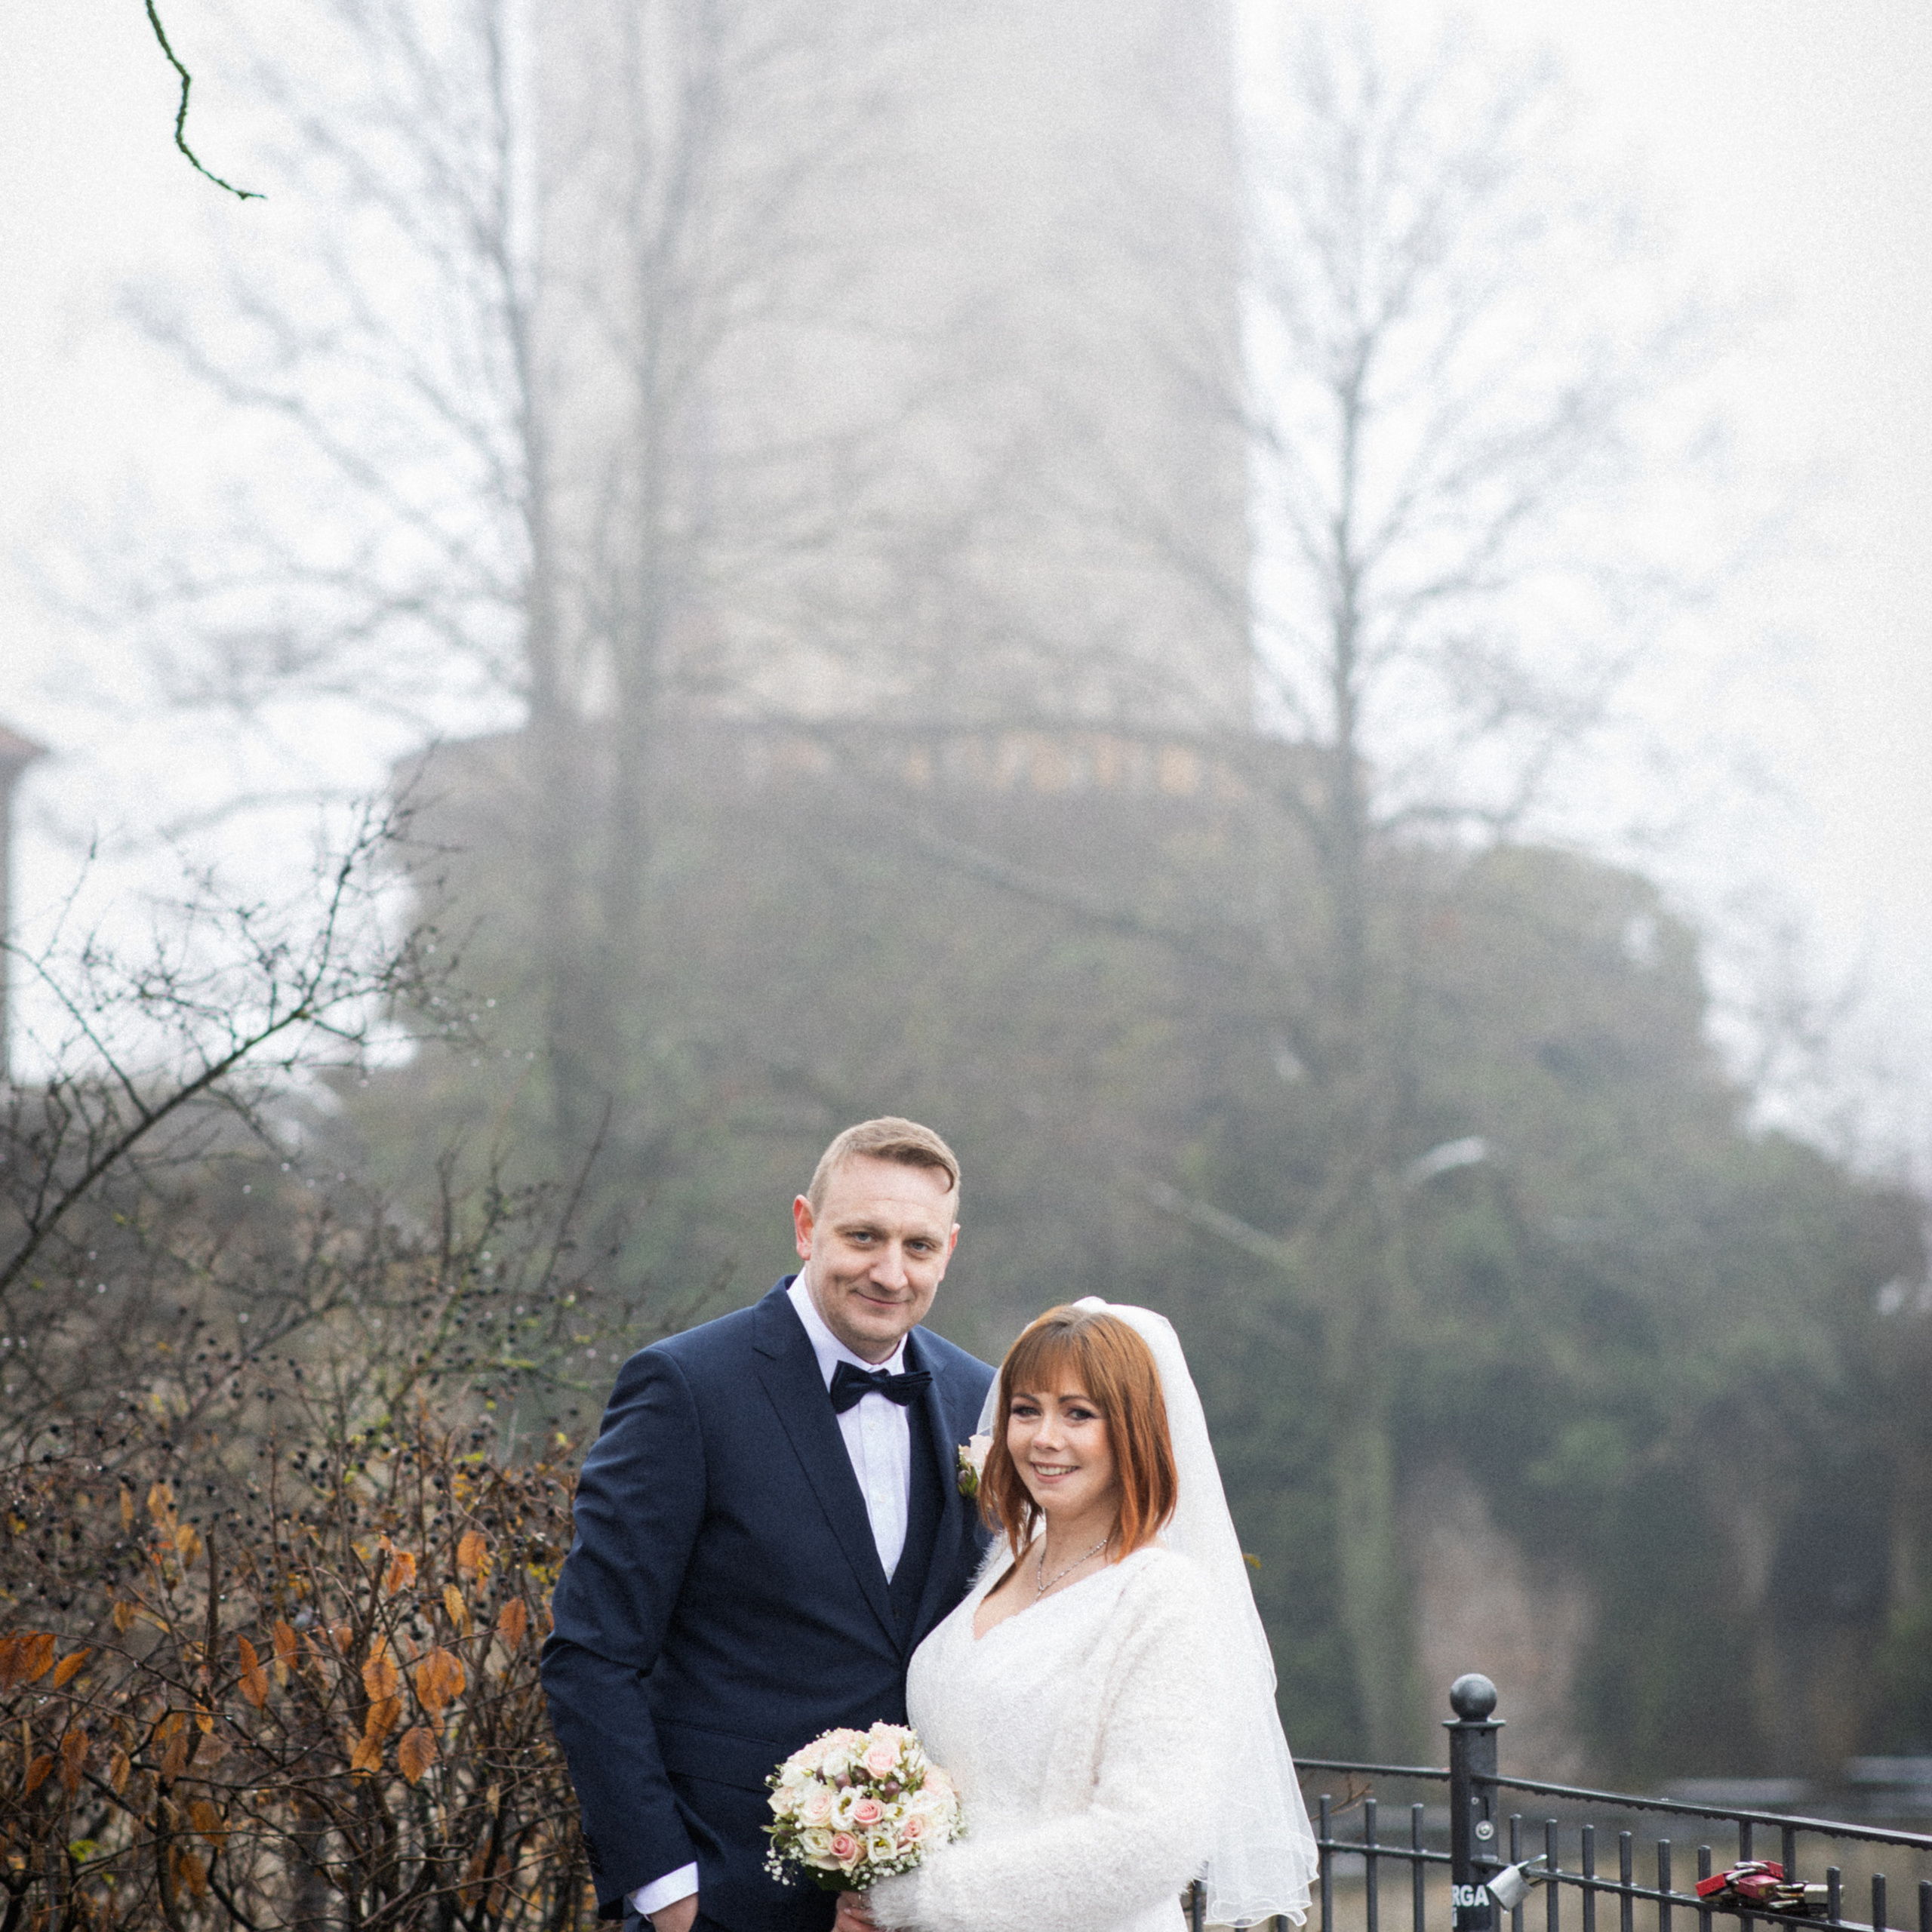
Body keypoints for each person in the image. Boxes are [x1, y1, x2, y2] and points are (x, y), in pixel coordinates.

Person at [542, 1118, 996, 1932]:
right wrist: (665, 1887)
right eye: (863, 1236)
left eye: (919, 1246)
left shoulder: (982, 1399)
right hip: (725, 1893)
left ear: (949, 1250)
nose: (890, 1271)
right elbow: (593, 1654)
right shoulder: (686, 1388)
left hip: (923, 1902)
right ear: (804, 1226)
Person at [844, 1300, 1318, 1932]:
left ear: (1132, 1430)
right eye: (1026, 1410)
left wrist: (917, 1898)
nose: (1045, 1438)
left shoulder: (1162, 1598)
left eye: (1078, 1414)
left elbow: (1148, 1843)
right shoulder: (1010, 1557)